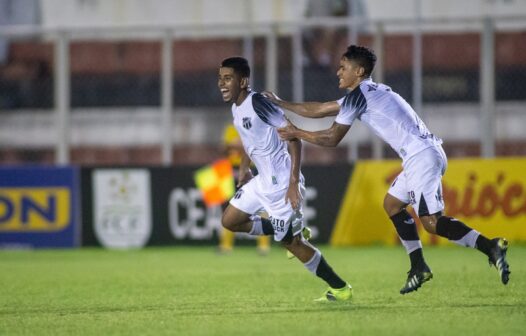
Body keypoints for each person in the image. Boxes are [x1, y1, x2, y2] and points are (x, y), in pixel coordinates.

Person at [264, 45, 511, 294]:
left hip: (421, 156)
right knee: (392, 204)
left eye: (343, 67)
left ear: (358, 71)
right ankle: (418, 267)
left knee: (432, 223)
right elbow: (320, 109)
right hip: (422, 153)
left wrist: (296, 132)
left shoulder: (359, 95)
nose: (338, 72)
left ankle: (490, 247)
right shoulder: (368, 92)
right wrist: (281, 103)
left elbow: (332, 138)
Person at [218, 56, 352, 301]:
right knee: (230, 220)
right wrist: (244, 169)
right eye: (220, 78)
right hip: (261, 181)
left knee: (292, 245)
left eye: (228, 78)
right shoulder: (236, 108)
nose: (222, 83)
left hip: (281, 183)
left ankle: (340, 288)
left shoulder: (258, 102)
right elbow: (250, 142)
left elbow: (293, 137)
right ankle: (292, 227)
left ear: (243, 80)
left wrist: (292, 185)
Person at [217, 124, 271, 255]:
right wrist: (233, 145)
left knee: (261, 206)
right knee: (229, 207)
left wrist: (236, 144)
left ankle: (263, 246)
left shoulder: (254, 126)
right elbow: (224, 149)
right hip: (231, 169)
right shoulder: (230, 129)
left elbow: (251, 145)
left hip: (253, 168)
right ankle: (226, 246)